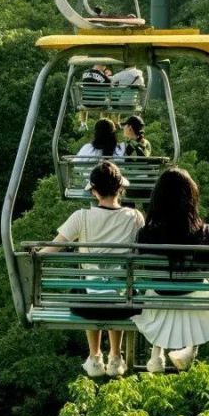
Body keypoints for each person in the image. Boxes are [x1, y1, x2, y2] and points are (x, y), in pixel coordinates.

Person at [47, 160, 144, 377]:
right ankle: (116, 356)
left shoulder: (81, 217)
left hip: (87, 305)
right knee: (120, 287)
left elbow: (52, 248)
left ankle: (94, 356)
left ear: (93, 191)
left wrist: (31, 255)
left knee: (87, 287)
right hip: (124, 306)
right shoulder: (135, 218)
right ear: (120, 188)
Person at [133, 168, 209, 372]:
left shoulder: (145, 233)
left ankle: (156, 353)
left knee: (154, 290)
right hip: (193, 294)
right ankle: (190, 349)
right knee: (203, 287)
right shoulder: (205, 231)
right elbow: (208, 266)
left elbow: (144, 264)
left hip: (159, 294)